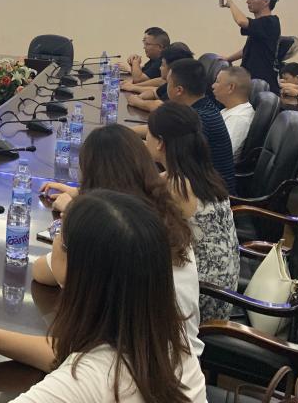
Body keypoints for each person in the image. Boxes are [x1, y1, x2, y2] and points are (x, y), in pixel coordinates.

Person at [0, 190, 207, 403]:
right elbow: (69, 353)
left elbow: (86, 371)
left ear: (80, 272)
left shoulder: (84, 384)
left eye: (58, 236)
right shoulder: (164, 341)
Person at [38, 125, 202, 358]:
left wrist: (65, 232)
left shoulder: (115, 233)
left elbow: (43, 272)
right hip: (183, 357)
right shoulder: (168, 218)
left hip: (148, 364)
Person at [146, 102, 239, 322]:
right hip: (222, 290)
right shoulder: (198, 173)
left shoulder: (177, 187)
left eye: (148, 133)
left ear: (160, 143)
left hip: (201, 298)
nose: (145, 139)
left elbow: (136, 215)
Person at [165, 59, 236, 193]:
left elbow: (174, 160)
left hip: (211, 194)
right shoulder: (204, 106)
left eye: (168, 83)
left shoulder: (197, 120)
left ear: (179, 90)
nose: (166, 86)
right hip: (204, 186)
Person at [219, 0, 281, 93]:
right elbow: (248, 49)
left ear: (266, 1)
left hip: (263, 87)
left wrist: (231, 4)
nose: (247, 1)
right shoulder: (259, 26)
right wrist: (228, 59)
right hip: (252, 83)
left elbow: (241, 21)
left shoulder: (270, 22)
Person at [124, 44, 193, 112]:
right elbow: (155, 93)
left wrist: (138, 102)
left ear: (172, 69)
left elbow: (160, 106)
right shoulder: (173, 82)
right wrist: (139, 97)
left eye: (162, 65)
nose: (160, 68)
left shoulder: (182, 85)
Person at [211, 66, 254, 159]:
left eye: (217, 82)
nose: (213, 86)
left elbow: (221, 154)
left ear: (231, 87)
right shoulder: (229, 110)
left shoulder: (238, 118)